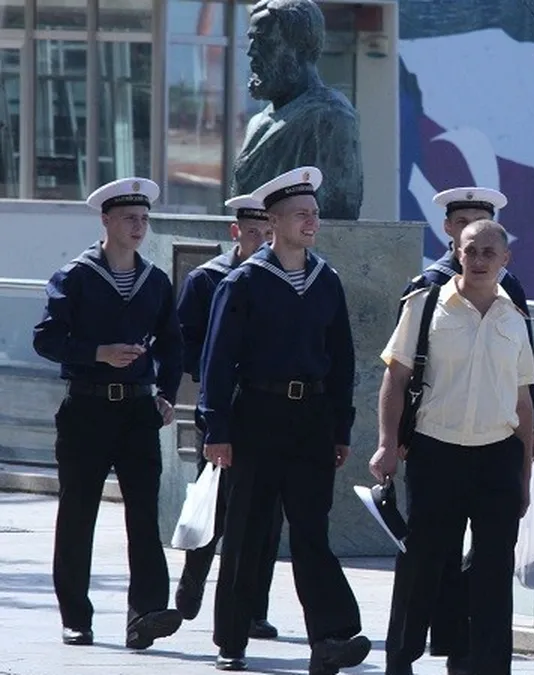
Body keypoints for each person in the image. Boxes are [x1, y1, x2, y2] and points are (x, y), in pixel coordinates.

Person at [199, 167, 370, 673]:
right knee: (248, 530)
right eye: (300, 215)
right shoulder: (244, 282)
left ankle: (332, 636)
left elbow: (342, 360)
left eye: (314, 213)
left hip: (312, 418)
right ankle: (232, 639)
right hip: (258, 415)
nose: (311, 222)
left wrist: (340, 427)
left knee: (312, 529)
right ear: (273, 221)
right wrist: (217, 429)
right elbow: (217, 360)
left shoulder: (326, 280)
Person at [386, 186, 534, 675]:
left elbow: (522, 396)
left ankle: (483, 664)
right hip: (436, 450)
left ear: (505, 257)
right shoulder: (426, 299)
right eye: (471, 249)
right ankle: (400, 660)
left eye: (488, 251)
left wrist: (523, 473)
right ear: (454, 246)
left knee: (492, 572)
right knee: (423, 562)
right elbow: (395, 377)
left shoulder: (513, 310)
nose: (479, 259)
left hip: (497, 455)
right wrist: (386, 444)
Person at [32, 177, 185, 649]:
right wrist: (98, 353)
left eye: (144, 219)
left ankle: (146, 614)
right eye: (129, 219)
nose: (138, 227)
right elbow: (46, 339)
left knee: (144, 515)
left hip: (138, 411)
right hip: (87, 408)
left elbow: (173, 344)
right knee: (78, 514)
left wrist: (165, 393)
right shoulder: (75, 276)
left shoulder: (154, 280)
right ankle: (75, 617)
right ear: (106, 220)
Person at [174, 193, 281, 639]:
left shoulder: (283, 279)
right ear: (235, 232)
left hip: (267, 409)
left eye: (268, 233)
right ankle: (193, 577)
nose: (261, 241)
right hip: (223, 407)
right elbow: (186, 343)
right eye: (253, 232)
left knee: (265, 516)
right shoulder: (208, 279)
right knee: (214, 503)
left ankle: (254, 608)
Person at [232, 0, 362, 220]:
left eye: (264, 41)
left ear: (300, 47)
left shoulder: (331, 116)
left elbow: (338, 216)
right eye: (251, 40)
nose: (251, 52)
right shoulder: (257, 122)